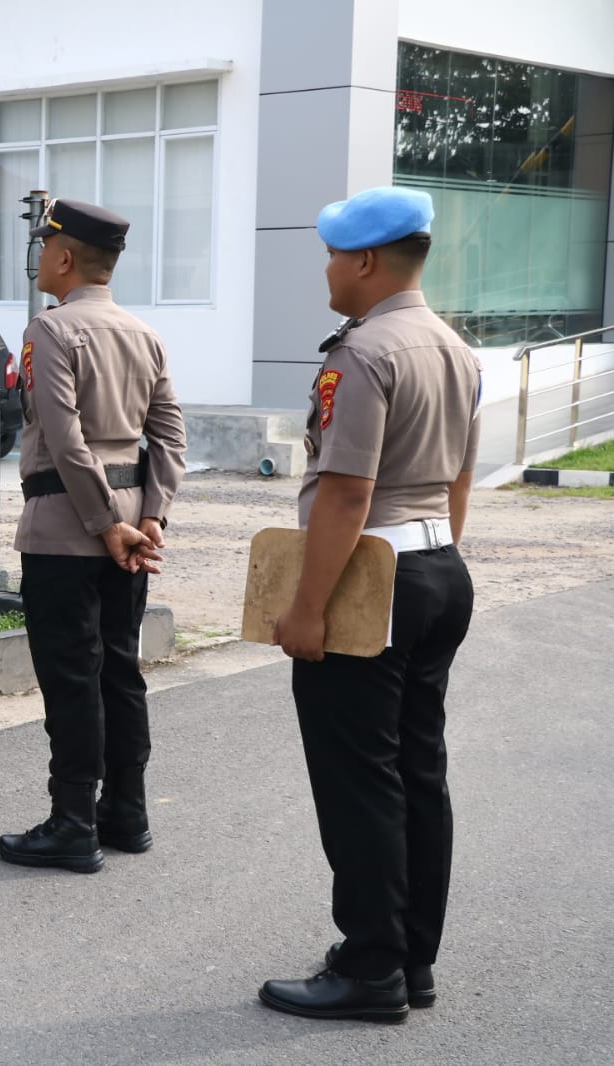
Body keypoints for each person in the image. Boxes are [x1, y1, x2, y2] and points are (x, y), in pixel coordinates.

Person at [260, 187, 481, 1024]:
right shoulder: (456, 349)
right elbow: (458, 479)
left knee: (358, 780)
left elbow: (347, 491)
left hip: (370, 579)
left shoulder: (360, 353)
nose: (324, 269)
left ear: (363, 261)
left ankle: (369, 967)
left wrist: (307, 607)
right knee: (416, 770)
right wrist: (433, 554)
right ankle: (409, 956)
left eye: (329, 255)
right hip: (437, 568)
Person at [0, 199, 186, 874]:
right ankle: (126, 812)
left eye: (44, 248)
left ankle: (73, 822)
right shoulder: (143, 333)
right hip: (132, 527)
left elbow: (66, 438)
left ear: (65, 257)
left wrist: (106, 525)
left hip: (66, 528)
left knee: (72, 678)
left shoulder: (50, 330)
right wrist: (150, 515)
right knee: (119, 671)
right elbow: (169, 435)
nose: (39, 259)